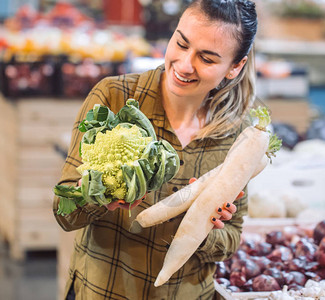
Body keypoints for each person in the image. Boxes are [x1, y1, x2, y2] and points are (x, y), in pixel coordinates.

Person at [53, 0, 258, 299]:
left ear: (234, 67)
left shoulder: (237, 132)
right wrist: (98, 194)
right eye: (181, 43)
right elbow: (64, 211)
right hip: (105, 290)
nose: (185, 65)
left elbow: (231, 238)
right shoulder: (114, 96)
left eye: (207, 58)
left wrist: (206, 227)